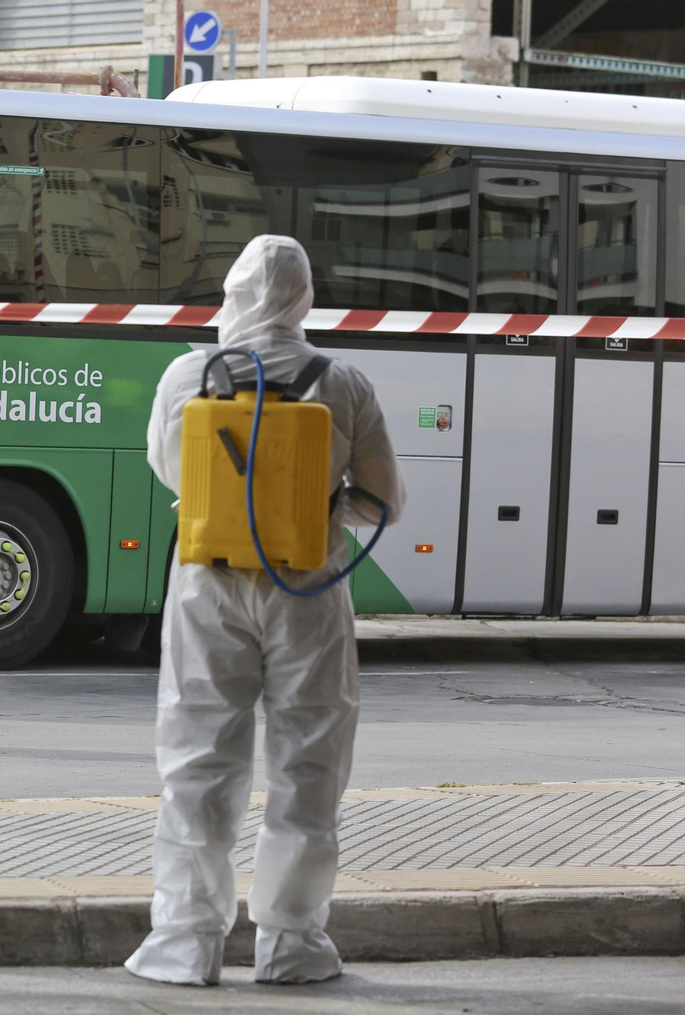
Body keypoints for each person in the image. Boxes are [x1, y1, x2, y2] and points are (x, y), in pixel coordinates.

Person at [125, 235, 405, 987]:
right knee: (308, 761)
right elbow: (385, 501)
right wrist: (317, 504)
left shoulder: (189, 374)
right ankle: (291, 944)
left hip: (208, 583)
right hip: (306, 587)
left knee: (197, 757)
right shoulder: (342, 382)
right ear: (303, 297)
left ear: (235, 293)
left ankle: (185, 942)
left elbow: (165, 466)